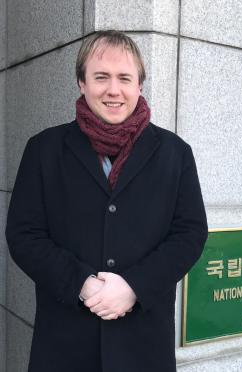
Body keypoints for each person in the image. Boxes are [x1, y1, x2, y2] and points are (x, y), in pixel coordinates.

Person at [6, 30, 208, 372]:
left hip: (144, 344)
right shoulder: (44, 150)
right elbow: (24, 235)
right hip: (64, 344)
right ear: (82, 83)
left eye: (124, 78)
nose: (113, 90)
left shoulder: (175, 154)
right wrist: (82, 284)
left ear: (139, 86)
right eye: (101, 77)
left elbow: (190, 233)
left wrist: (134, 287)